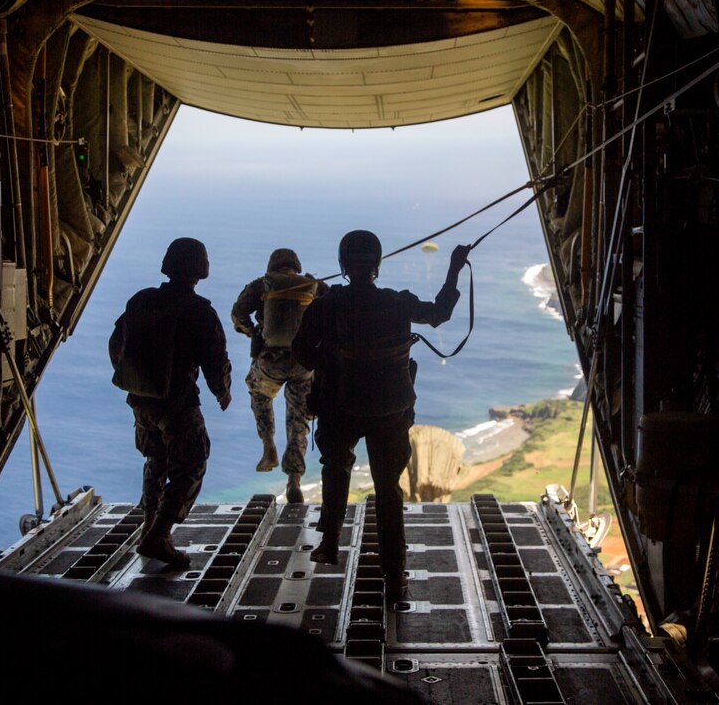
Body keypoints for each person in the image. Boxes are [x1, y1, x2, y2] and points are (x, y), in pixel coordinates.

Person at [292, 230, 470, 601]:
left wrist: (331, 353)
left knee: (335, 466)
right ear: (377, 265)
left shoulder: (327, 305)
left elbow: (302, 355)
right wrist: (453, 269)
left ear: (343, 266)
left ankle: (329, 539)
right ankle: (395, 574)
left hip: (340, 406)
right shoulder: (397, 303)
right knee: (388, 490)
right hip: (390, 408)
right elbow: (439, 314)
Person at [109, 237, 232, 568]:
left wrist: (138, 385)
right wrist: (222, 391)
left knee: (155, 460)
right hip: (177, 403)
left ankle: (149, 525)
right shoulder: (199, 312)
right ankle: (159, 535)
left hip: (141, 401)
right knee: (192, 461)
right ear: (201, 269)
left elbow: (116, 345)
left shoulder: (142, 300)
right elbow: (215, 361)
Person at [231, 248, 328, 504]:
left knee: (259, 393)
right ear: (296, 265)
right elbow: (332, 312)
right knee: (298, 419)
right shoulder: (312, 285)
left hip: (270, 360)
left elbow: (237, 314)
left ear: (272, 266)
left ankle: (268, 446)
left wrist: (253, 332)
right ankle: (294, 479)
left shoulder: (261, 284)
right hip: (302, 362)